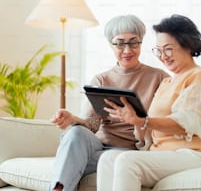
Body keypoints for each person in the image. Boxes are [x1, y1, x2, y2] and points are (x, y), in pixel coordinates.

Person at [97, 14, 201, 191]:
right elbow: (149, 132)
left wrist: (141, 121)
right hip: (166, 152)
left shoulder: (199, 75)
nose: (163, 56)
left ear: (187, 45)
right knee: (108, 159)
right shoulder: (167, 83)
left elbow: (185, 124)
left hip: (200, 153)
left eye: (168, 49)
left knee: (127, 161)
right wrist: (134, 121)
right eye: (158, 50)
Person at [49, 14, 169, 191]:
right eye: (120, 43)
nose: (127, 50)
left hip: (130, 152)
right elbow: (91, 125)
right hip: (97, 148)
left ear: (141, 42)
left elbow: (176, 108)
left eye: (133, 42)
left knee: (73, 160)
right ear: (111, 45)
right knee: (75, 133)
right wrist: (72, 118)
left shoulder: (159, 78)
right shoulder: (101, 79)